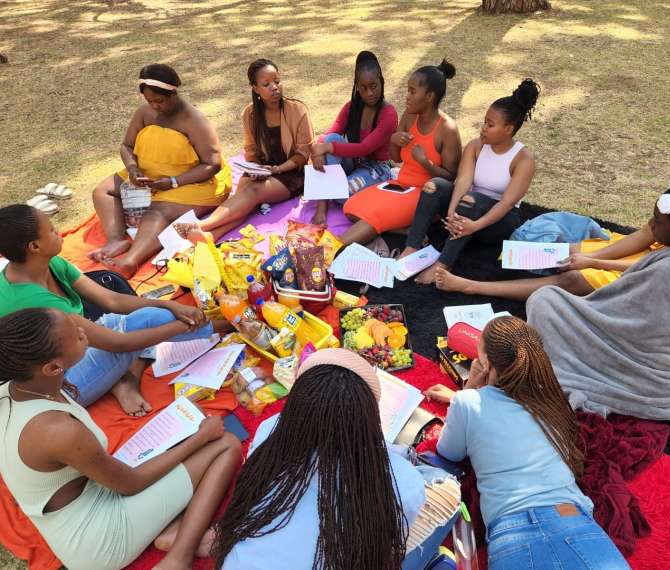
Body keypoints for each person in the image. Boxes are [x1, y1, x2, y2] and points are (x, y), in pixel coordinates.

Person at [435, 93, 670, 301]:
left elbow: (669, 265)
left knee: (573, 275)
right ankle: (536, 265)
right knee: (556, 252)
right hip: (663, 256)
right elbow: (649, 234)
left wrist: (595, 261)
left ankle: (470, 286)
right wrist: (594, 252)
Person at [0, 308, 241, 570]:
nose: (82, 329)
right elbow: (131, 484)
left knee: (171, 449)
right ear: (53, 367)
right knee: (226, 445)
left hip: (85, 497)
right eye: (76, 335)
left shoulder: (18, 389)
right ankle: (178, 558)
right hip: (96, 541)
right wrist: (201, 437)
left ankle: (173, 528)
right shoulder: (57, 430)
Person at [213, 348, 458, 570]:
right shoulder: (403, 482)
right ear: (369, 419)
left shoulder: (269, 431)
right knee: (446, 485)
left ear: (297, 405)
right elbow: (389, 544)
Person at [425, 316, 629, 570]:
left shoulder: (468, 402)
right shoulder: (552, 401)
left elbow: (449, 452)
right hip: (571, 516)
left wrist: (470, 389)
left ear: (486, 364)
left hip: (512, 529)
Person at [528, 181, 670, 420]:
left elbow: (616, 317)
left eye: (658, 221)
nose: (651, 224)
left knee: (545, 300)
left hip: (644, 377)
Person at [0, 204, 229, 416]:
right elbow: (119, 343)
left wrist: (169, 304)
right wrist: (177, 326)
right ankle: (232, 325)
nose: (58, 232)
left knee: (151, 315)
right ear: (35, 247)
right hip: (59, 388)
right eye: (51, 230)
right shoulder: (33, 300)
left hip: (75, 346)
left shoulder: (49, 263)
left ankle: (121, 380)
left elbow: (112, 300)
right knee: (150, 324)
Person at [90, 63, 232, 278]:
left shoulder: (194, 120)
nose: (155, 106)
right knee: (102, 191)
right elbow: (126, 146)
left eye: (160, 101)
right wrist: (132, 169)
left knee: (156, 212)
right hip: (149, 172)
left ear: (173, 93)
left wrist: (173, 182)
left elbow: (212, 164)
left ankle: (130, 261)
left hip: (192, 181)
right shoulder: (144, 113)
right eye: (150, 101)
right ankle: (115, 240)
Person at [399, 79, 540, 284]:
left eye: (490, 125)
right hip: (466, 209)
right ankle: (411, 247)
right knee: (433, 186)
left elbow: (507, 203)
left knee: (471, 200)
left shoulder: (523, 159)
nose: (483, 128)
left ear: (508, 129)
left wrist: (474, 226)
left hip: (498, 221)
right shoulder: (475, 146)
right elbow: (463, 180)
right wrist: (451, 211)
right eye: (484, 122)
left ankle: (443, 264)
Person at [188, 59, 314, 241]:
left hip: (292, 172)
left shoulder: (297, 109)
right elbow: (251, 151)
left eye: (277, 81)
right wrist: (255, 169)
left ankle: (201, 226)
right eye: (266, 84)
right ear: (255, 88)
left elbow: (303, 154)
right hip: (262, 170)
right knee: (244, 197)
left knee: (253, 192)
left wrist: (277, 169)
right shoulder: (250, 114)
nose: (274, 87)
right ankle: (211, 236)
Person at [340, 59, 462, 247]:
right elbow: (396, 158)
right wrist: (393, 141)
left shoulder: (447, 129)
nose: (407, 96)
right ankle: (401, 229)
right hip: (400, 184)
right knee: (351, 207)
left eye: (412, 92)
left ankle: (329, 249)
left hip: (426, 195)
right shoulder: (409, 115)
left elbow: (450, 178)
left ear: (429, 96)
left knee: (375, 215)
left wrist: (426, 164)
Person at [309, 51, 398, 226]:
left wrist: (327, 147)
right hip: (355, 163)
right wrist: (319, 149)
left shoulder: (389, 114)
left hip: (377, 168)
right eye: (364, 88)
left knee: (341, 193)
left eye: (374, 86)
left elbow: (364, 148)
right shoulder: (351, 107)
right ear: (357, 87)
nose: (370, 93)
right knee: (331, 139)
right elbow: (330, 134)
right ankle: (322, 207)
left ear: (382, 82)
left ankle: (335, 190)